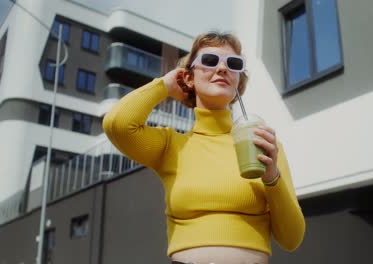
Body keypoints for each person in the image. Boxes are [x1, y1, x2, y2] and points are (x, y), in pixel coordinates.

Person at [103, 31, 305, 264]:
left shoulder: (263, 145)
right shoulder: (171, 146)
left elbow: (291, 239)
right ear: (188, 78)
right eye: (210, 61)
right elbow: (117, 124)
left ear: (239, 81)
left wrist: (272, 178)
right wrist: (165, 85)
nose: (222, 68)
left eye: (233, 64)